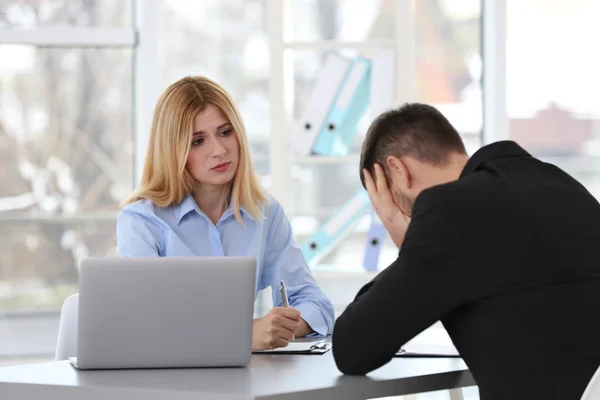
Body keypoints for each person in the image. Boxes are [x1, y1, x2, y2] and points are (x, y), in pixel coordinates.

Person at [332, 103, 600, 399]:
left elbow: (353, 349)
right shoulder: (560, 183)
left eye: (382, 194)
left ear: (397, 170)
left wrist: (400, 234)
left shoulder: (449, 209)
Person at [117, 76, 334, 350]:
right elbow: (145, 326)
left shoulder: (264, 212)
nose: (219, 150)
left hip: (244, 380)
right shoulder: (142, 221)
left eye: (225, 132)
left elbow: (315, 303)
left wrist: (285, 328)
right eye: (197, 141)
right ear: (173, 150)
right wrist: (242, 335)